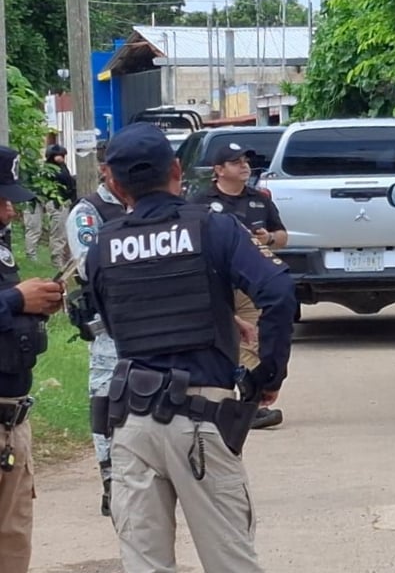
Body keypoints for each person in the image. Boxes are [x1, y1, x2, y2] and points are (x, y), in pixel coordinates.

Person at [85, 123, 296, 571]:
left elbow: (119, 318)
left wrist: (221, 319)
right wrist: (265, 377)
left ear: (115, 184)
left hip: (131, 423)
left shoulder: (102, 245)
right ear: (177, 170)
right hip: (200, 417)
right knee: (231, 562)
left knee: (145, 564)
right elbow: (278, 293)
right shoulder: (214, 229)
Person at [0, 145, 69, 573]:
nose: (10, 211)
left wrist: (35, 302)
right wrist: (13, 299)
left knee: (13, 538)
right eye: (2, 199)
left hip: (12, 420)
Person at [190, 141, 290, 430]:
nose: (244, 166)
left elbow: (283, 236)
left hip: (249, 284)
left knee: (251, 340)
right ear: (218, 170)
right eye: (235, 162)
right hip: (214, 280)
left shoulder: (259, 199)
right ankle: (218, 401)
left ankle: (251, 403)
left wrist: (268, 239)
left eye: (245, 160)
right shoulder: (200, 203)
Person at [65, 153, 127, 517]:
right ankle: (110, 479)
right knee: (106, 401)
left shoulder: (143, 205)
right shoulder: (89, 212)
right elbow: (90, 265)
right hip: (108, 326)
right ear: (105, 171)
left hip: (148, 322)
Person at [23, 144, 75, 267]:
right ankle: (33, 258)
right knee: (35, 228)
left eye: (62, 156)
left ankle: (58, 260)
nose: (61, 158)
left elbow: (67, 182)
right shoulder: (45, 171)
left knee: (59, 232)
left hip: (58, 202)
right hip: (42, 201)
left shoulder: (62, 169)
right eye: (58, 156)